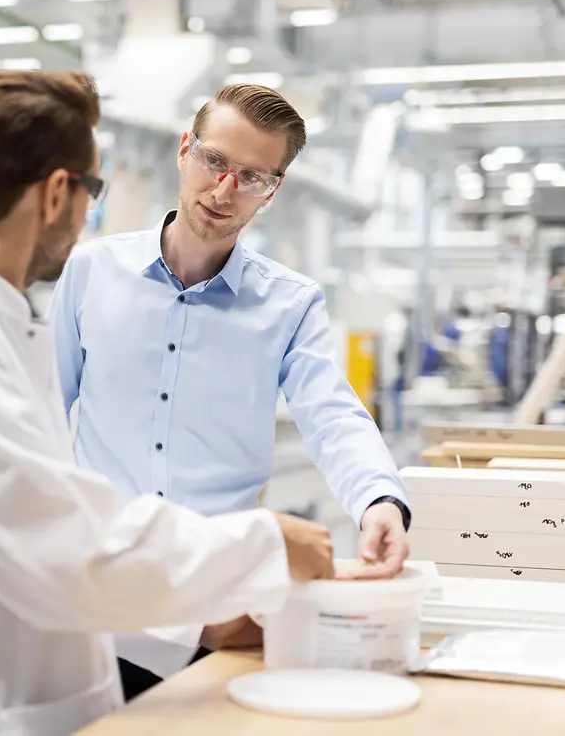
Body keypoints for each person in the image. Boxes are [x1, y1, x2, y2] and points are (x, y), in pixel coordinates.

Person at [0, 70, 337, 736]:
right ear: (59, 194)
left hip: (14, 687)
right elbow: (65, 549)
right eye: (94, 190)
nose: (89, 214)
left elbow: (54, 522)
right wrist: (263, 546)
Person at [48, 83, 412, 699]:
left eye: (252, 177)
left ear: (274, 189)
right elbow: (41, 412)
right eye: (215, 162)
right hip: (99, 599)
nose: (224, 191)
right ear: (186, 150)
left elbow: (334, 417)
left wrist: (380, 501)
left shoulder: (290, 305)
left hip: (216, 608)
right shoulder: (90, 272)